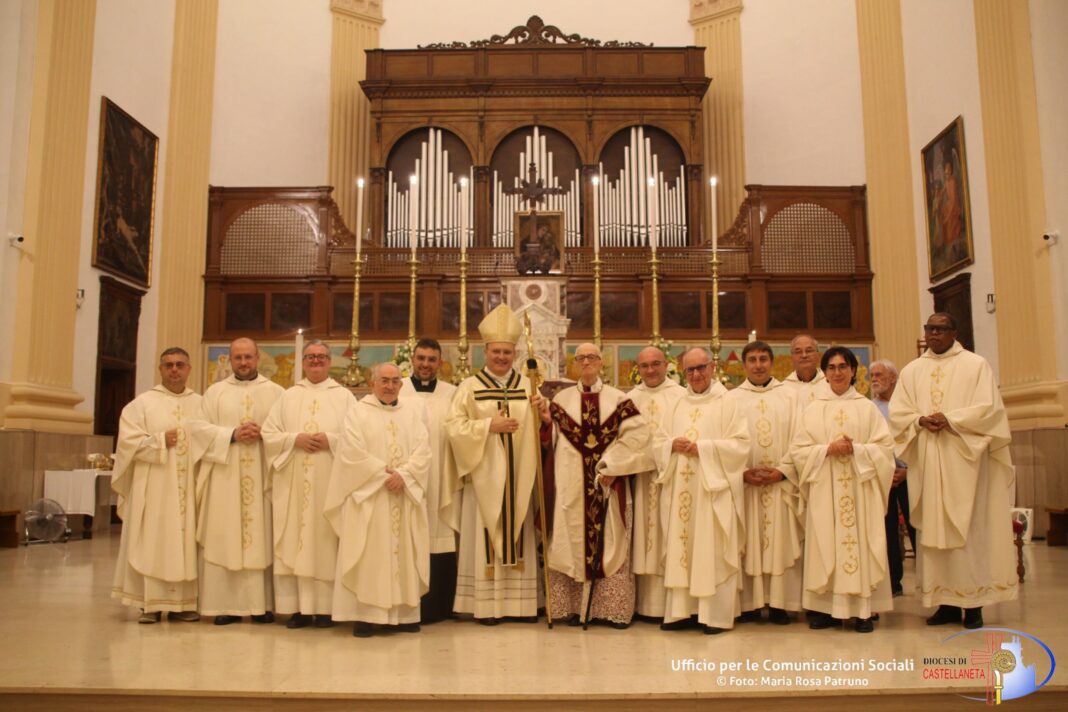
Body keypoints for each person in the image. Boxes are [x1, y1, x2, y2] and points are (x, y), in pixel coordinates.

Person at [889, 313, 1017, 629]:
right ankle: (944, 603)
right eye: (929, 329)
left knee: (970, 532)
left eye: (941, 329)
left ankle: (973, 605)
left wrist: (951, 420)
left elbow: (989, 408)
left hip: (967, 464)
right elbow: (899, 412)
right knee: (932, 534)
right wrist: (919, 420)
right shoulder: (912, 370)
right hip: (930, 463)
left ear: (954, 332)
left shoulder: (976, 366)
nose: (934, 334)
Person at [445, 304, 545, 623]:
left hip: (518, 478)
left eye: (507, 352)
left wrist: (543, 413)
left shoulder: (529, 387)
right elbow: (454, 427)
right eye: (496, 351)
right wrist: (488, 426)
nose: (501, 357)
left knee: (519, 534)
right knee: (484, 535)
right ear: (485, 352)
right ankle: (486, 607)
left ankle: (521, 605)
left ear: (515, 353)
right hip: (483, 479)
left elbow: (541, 431)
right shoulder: (469, 388)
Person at [540, 342, 649, 628]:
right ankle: (574, 608)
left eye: (592, 357)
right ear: (575, 364)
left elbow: (636, 439)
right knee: (570, 539)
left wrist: (614, 467)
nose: (586, 362)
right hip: (570, 485)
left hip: (606, 484)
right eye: (581, 358)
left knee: (611, 541)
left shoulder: (619, 400)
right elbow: (549, 442)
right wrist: (544, 424)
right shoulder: (561, 400)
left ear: (602, 362)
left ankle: (609, 608)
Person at [790, 346, 895, 633]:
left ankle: (862, 610)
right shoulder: (813, 410)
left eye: (843, 367)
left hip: (859, 490)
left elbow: (885, 449)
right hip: (825, 488)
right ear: (825, 373)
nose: (837, 372)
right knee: (825, 545)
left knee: (858, 542)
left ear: (853, 371)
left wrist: (856, 450)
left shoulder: (867, 408)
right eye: (832, 368)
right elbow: (798, 451)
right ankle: (826, 609)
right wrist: (828, 449)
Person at [325, 363, 431, 638]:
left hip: (402, 494)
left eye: (395, 381)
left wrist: (405, 475)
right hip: (370, 498)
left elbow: (423, 451)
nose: (390, 386)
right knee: (369, 553)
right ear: (373, 383)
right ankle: (365, 616)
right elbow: (351, 452)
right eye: (384, 380)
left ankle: (405, 614)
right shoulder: (358, 412)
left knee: (404, 553)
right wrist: (382, 476)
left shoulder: (411, 413)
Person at [654, 348, 750, 634]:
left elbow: (741, 445)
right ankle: (681, 612)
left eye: (701, 368)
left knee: (711, 550)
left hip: (712, 492)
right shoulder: (676, 404)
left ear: (712, 367)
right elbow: (657, 440)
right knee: (683, 548)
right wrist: (671, 445)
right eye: (690, 370)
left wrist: (704, 448)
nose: (696, 375)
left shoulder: (727, 403)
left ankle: (715, 616)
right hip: (681, 489)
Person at [189, 337, 284, 625]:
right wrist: (231, 434)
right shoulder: (215, 393)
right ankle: (225, 606)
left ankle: (263, 605)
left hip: (261, 475)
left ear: (258, 358)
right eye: (238, 358)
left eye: (248, 357)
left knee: (262, 537)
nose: (243, 363)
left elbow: (286, 431)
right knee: (225, 536)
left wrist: (264, 434)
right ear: (230, 360)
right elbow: (198, 429)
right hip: (226, 476)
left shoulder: (276, 393)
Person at [261, 340, 352, 629]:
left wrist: (332, 439)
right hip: (294, 480)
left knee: (325, 540)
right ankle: (298, 608)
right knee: (295, 538)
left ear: (329, 361)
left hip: (330, 481)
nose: (316, 361)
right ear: (303, 362)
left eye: (321, 357)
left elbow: (359, 436)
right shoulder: (288, 396)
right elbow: (269, 433)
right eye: (310, 357)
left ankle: (326, 609)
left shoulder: (345, 396)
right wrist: (294, 439)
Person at [111, 347, 204, 623]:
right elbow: (127, 444)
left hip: (190, 486)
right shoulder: (141, 404)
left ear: (189, 369)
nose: (174, 370)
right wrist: (161, 440)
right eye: (168, 365)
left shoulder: (201, 404)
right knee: (153, 540)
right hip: (153, 487)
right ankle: (150, 604)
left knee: (188, 540)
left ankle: (185, 603)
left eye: (179, 365)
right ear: (160, 369)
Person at [726, 340, 803, 625]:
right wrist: (742, 471)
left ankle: (780, 604)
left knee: (779, 543)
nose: (758, 365)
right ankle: (750, 603)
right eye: (752, 360)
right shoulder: (732, 399)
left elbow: (800, 437)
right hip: (746, 485)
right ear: (744, 365)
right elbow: (727, 440)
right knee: (749, 542)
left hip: (780, 484)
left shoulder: (790, 397)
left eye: (763, 359)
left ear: (772, 362)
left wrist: (782, 471)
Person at [399, 337, 459, 623]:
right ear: (412, 359)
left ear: (439, 363)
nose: (425, 364)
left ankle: (439, 606)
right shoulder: (397, 389)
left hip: (441, 476)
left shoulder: (452, 393)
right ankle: (407, 603)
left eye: (431, 360)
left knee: (440, 535)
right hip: (406, 478)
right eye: (421, 358)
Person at [627, 346, 686, 620]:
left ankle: (668, 605)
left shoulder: (682, 396)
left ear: (666, 365)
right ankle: (641, 605)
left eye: (656, 364)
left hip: (671, 478)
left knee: (667, 534)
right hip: (639, 480)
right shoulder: (629, 399)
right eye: (645, 366)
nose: (650, 370)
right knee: (640, 535)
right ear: (638, 369)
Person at [869, 359, 916, 597]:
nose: (875, 379)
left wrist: (907, 470)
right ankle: (893, 582)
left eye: (880, 374)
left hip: (909, 474)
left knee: (916, 526)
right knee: (885, 531)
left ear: (893, 378)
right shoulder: (869, 408)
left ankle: (926, 580)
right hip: (882, 476)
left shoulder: (908, 407)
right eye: (872, 375)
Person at [782, 334, 826, 407]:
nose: (804, 355)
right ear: (792, 357)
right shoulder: (784, 389)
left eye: (809, 351)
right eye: (798, 352)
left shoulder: (829, 383)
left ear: (817, 355)